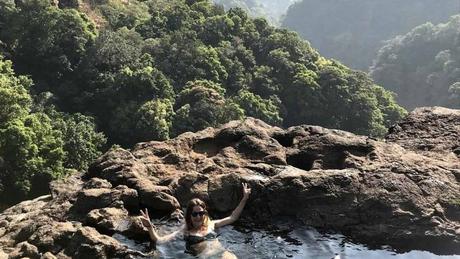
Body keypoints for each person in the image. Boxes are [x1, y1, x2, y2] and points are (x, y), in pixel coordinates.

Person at [140, 183, 252, 258]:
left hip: (223, 254)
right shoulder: (185, 231)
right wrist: (150, 227)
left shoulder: (211, 224)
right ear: (189, 215)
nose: (198, 216)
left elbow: (232, 218)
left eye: (201, 213)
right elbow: (160, 240)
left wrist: (244, 198)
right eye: (195, 214)